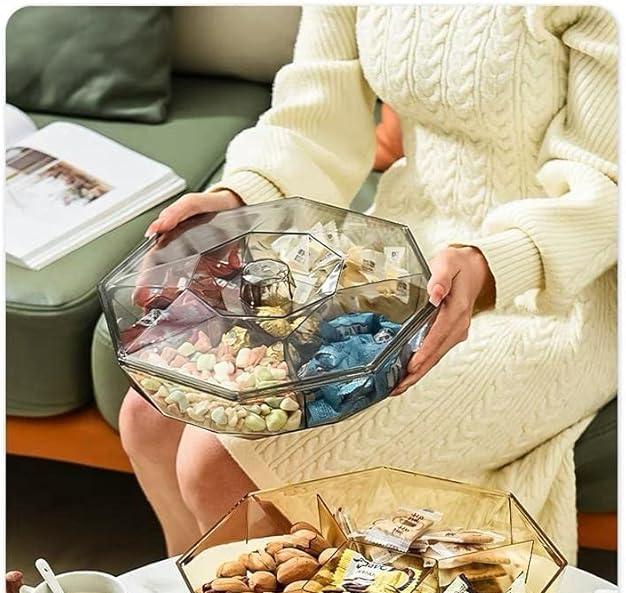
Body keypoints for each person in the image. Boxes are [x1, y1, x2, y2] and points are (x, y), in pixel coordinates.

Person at [119, 5, 617, 562]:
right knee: (149, 417)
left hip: (555, 292)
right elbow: (316, 116)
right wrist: (238, 200)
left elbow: (609, 182)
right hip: (394, 266)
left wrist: (492, 263)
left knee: (216, 462)